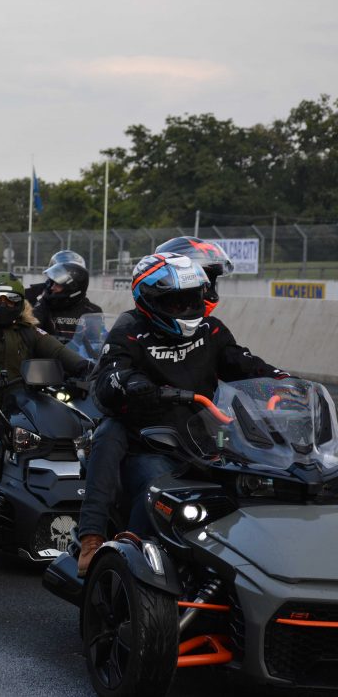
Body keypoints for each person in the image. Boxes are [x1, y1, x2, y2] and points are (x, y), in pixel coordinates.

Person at [75, 252, 287, 575]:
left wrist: (282, 382)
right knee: (151, 484)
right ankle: (100, 544)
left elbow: (242, 362)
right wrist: (131, 383)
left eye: (191, 299)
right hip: (148, 442)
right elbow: (106, 380)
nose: (185, 308)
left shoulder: (210, 331)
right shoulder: (128, 331)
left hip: (205, 441)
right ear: (149, 300)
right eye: (175, 302)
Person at [0, 272, 90, 454]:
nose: (2, 305)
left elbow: (58, 351)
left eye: (10, 300)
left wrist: (86, 368)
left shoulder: (29, 331)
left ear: (20, 303)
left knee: (68, 432)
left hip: (24, 407)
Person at [154, 236, 233, 316]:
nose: (206, 290)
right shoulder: (146, 323)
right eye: (201, 279)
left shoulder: (212, 326)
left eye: (209, 282)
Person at [32, 260, 103, 342]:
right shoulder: (44, 304)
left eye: (57, 284)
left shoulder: (92, 311)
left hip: (78, 355)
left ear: (72, 288)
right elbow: (31, 331)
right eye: (52, 283)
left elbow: (96, 344)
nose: (52, 288)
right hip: (49, 353)